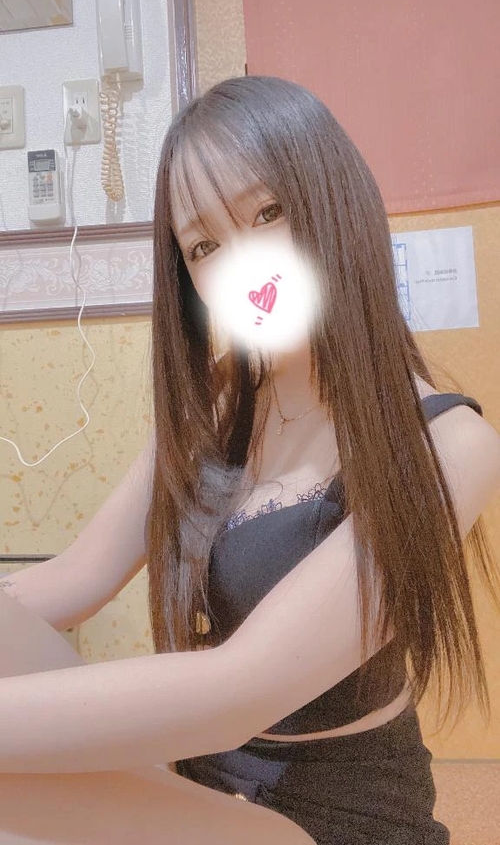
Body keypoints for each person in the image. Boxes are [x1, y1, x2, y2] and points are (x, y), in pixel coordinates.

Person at [1, 75, 500, 845]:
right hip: (207, 795)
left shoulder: (449, 444)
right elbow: (70, 581)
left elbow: (241, 690)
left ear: (333, 199)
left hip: (331, 823)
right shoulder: (215, 406)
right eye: (204, 245)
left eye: (267, 212)